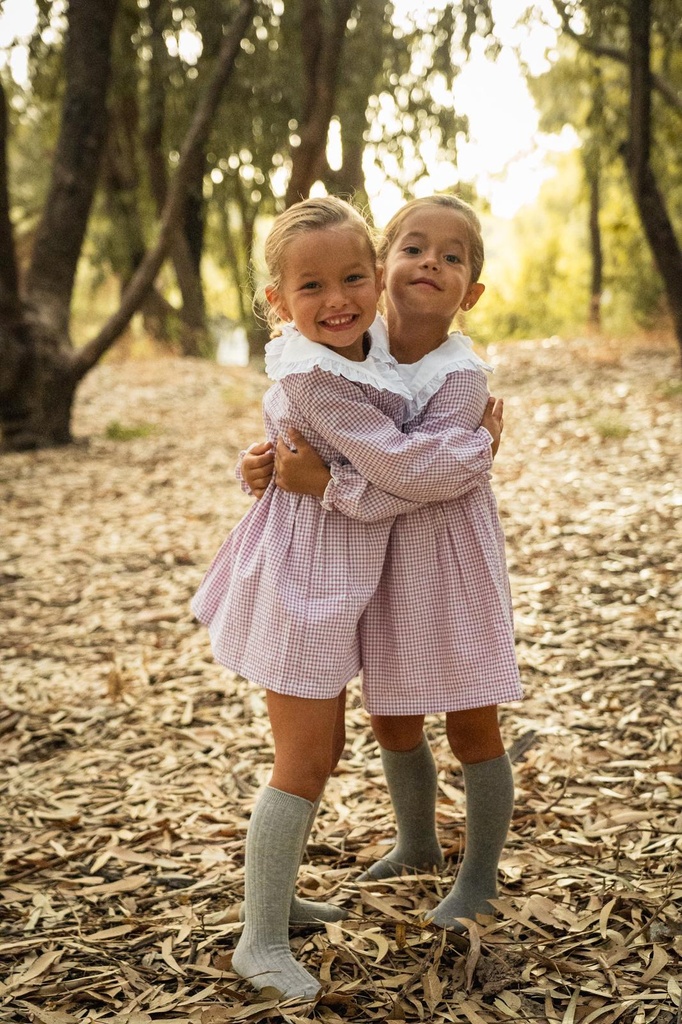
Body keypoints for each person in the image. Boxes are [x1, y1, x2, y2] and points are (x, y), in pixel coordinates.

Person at [192, 196, 503, 1000]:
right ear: (278, 303)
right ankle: (258, 942)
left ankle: (278, 900)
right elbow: (398, 468)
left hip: (336, 578)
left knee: (322, 751)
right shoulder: (316, 374)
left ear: (375, 278)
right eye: (312, 287)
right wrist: (475, 451)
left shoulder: (372, 357)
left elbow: (300, 453)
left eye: (352, 277)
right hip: (302, 583)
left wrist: (275, 469)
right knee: (302, 759)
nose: (337, 299)